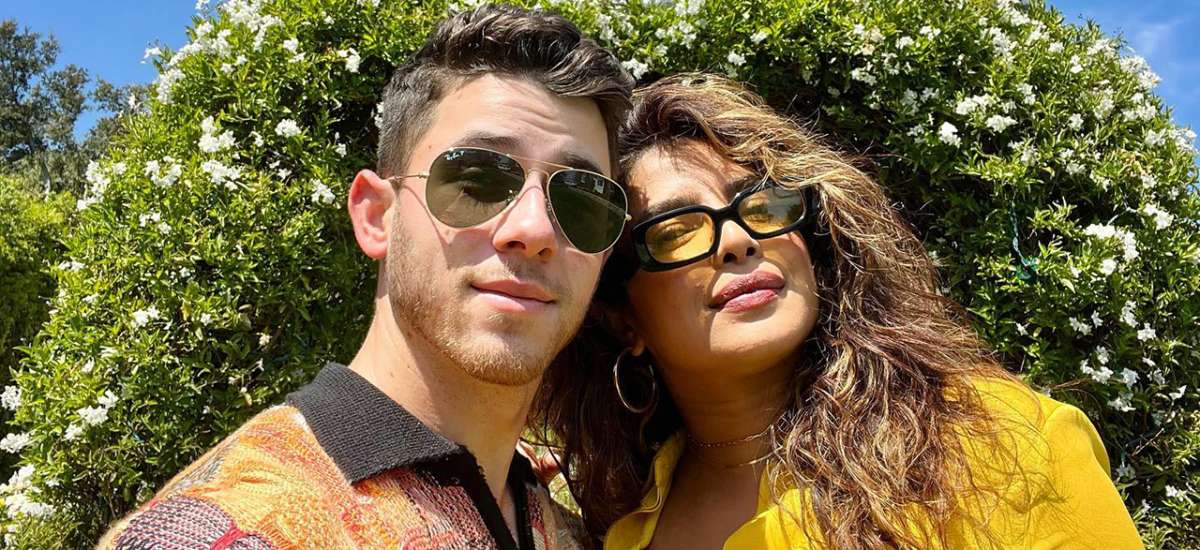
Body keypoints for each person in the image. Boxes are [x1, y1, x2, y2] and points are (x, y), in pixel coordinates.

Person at [531, 74, 1143, 549]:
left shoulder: (1002, 444)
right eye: (675, 230)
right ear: (622, 317)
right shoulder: (617, 526)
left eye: (762, 204)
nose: (738, 239)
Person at [99, 5, 633, 549]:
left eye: (583, 202)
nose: (535, 229)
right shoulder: (230, 530)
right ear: (377, 217)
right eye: (476, 179)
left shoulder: (565, 531)